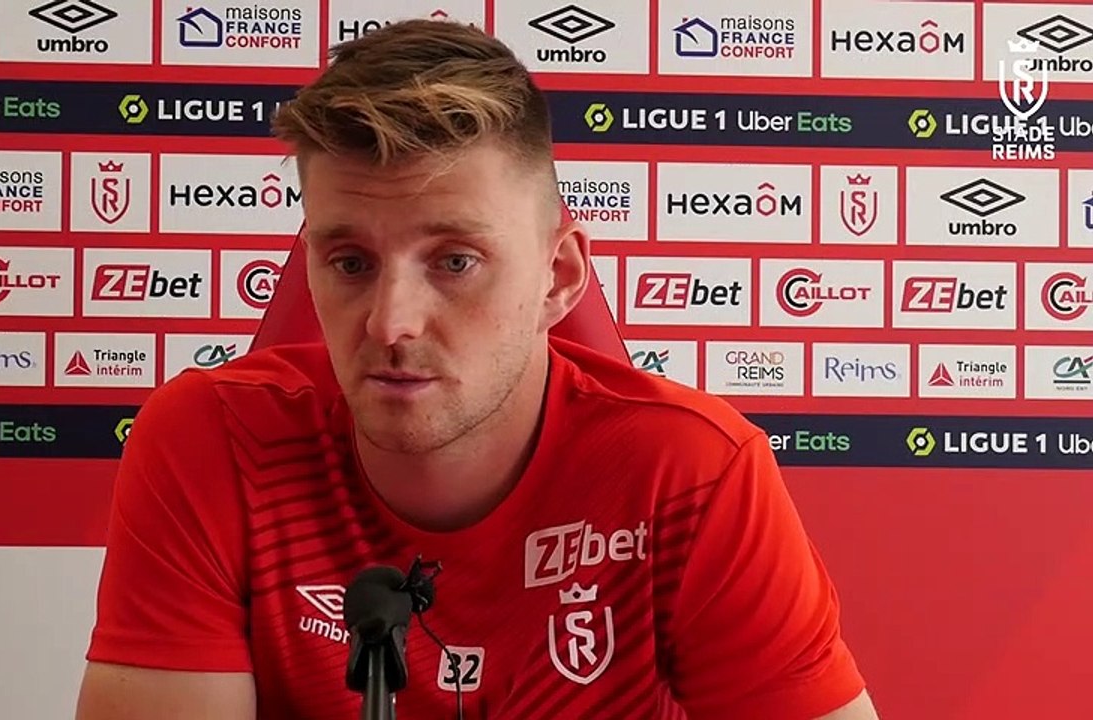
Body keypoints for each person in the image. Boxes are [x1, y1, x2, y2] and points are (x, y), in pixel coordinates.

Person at [73, 18, 879, 720]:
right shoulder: (212, 442)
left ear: (559, 277)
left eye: (455, 261)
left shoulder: (692, 474)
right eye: (350, 263)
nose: (390, 322)